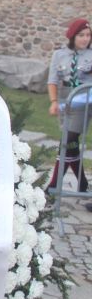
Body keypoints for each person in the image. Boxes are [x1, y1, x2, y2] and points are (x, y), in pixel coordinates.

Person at [46, 18, 92, 202]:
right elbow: (52, 80)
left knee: (67, 141)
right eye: (81, 35)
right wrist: (54, 101)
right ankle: (82, 184)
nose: (85, 39)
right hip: (66, 101)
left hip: (84, 101)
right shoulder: (59, 55)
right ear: (72, 36)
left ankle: (53, 186)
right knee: (71, 144)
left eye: (88, 35)